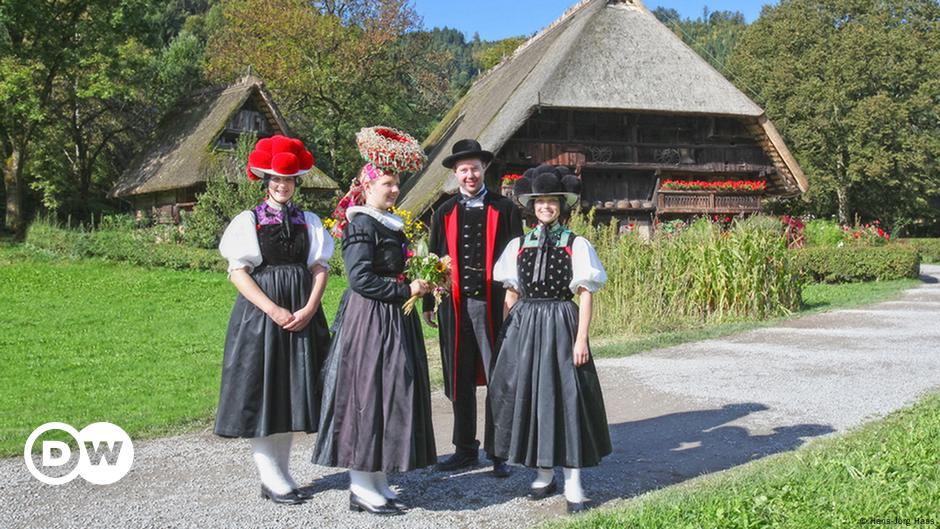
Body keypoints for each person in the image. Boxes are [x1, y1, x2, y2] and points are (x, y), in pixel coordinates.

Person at [313, 126, 436, 516]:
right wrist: (406, 289)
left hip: (394, 320)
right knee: (368, 396)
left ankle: (378, 479)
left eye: (396, 183)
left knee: (391, 393)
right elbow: (359, 279)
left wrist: (423, 285)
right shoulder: (361, 223)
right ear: (368, 187)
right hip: (370, 320)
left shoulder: (388, 223)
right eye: (387, 183)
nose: (394, 189)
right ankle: (361, 486)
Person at [215, 135, 333, 505]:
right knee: (266, 391)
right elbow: (238, 272)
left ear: (296, 183)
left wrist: (311, 307)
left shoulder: (309, 221)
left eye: (289, 180)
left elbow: (319, 266)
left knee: (291, 393)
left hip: (302, 312)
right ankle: (270, 474)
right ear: (266, 182)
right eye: (276, 180)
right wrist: (273, 309)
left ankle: (281, 473)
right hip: (262, 317)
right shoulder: (248, 221)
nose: (283, 186)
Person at [489, 164, 612, 514]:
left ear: (561, 205)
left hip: (561, 321)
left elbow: (586, 294)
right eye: (540, 202)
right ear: (532, 206)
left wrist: (581, 340)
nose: (545, 207)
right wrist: (505, 334)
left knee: (566, 397)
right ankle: (544, 473)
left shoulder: (577, 243)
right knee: (532, 395)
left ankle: (573, 482)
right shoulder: (519, 244)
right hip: (525, 325)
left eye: (552, 202)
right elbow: (510, 293)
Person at [423, 139, 523, 477]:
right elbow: (433, 260)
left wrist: (516, 303)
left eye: (475, 169)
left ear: (484, 170)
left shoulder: (505, 209)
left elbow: (517, 261)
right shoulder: (444, 212)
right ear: (455, 173)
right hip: (454, 306)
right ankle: (465, 449)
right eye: (464, 170)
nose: (470, 175)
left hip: (493, 305)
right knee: (459, 377)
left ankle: (500, 451)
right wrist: (427, 303)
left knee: (498, 376)